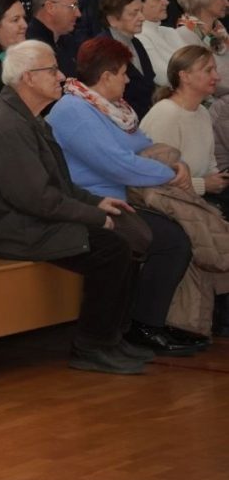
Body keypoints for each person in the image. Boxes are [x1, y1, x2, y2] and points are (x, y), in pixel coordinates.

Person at [0, 39, 150, 374]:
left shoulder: (29, 119)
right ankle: (92, 345)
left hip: (28, 220)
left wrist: (96, 202)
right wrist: (94, 217)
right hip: (7, 229)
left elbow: (57, 186)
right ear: (28, 78)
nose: (62, 76)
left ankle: (112, 337)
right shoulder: (6, 126)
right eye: (52, 70)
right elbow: (35, 198)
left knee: (128, 234)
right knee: (111, 248)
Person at [46, 36, 199, 356]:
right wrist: (170, 173)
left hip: (116, 199)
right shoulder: (74, 111)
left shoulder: (108, 109)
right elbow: (118, 165)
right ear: (105, 77)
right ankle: (142, 326)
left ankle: (146, 323)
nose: (128, 80)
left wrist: (177, 164)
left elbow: (141, 145)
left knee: (177, 234)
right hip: (87, 204)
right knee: (171, 242)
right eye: (123, 73)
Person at [143, 45, 229, 208]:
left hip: (202, 197)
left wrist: (217, 180)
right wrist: (203, 185)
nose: (217, 77)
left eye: (215, 70)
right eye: (208, 70)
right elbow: (155, 178)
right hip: (175, 205)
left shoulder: (202, 111)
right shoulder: (166, 114)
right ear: (185, 76)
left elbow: (210, 164)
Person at [101, 0, 158, 118]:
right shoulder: (103, 50)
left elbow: (148, 82)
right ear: (112, 20)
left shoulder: (136, 43)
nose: (142, 17)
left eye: (141, 11)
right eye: (133, 13)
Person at [125, 0, 185, 86]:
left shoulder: (170, 31)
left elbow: (198, 63)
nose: (166, 2)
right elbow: (163, 77)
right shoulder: (138, 37)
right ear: (137, 3)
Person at [174, 0, 229, 93]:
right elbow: (204, 81)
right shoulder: (184, 34)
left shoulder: (219, 30)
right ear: (204, 0)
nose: (227, 3)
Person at [26, 0, 81, 79]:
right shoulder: (30, 47)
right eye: (73, 6)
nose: (78, 14)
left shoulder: (68, 41)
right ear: (50, 7)